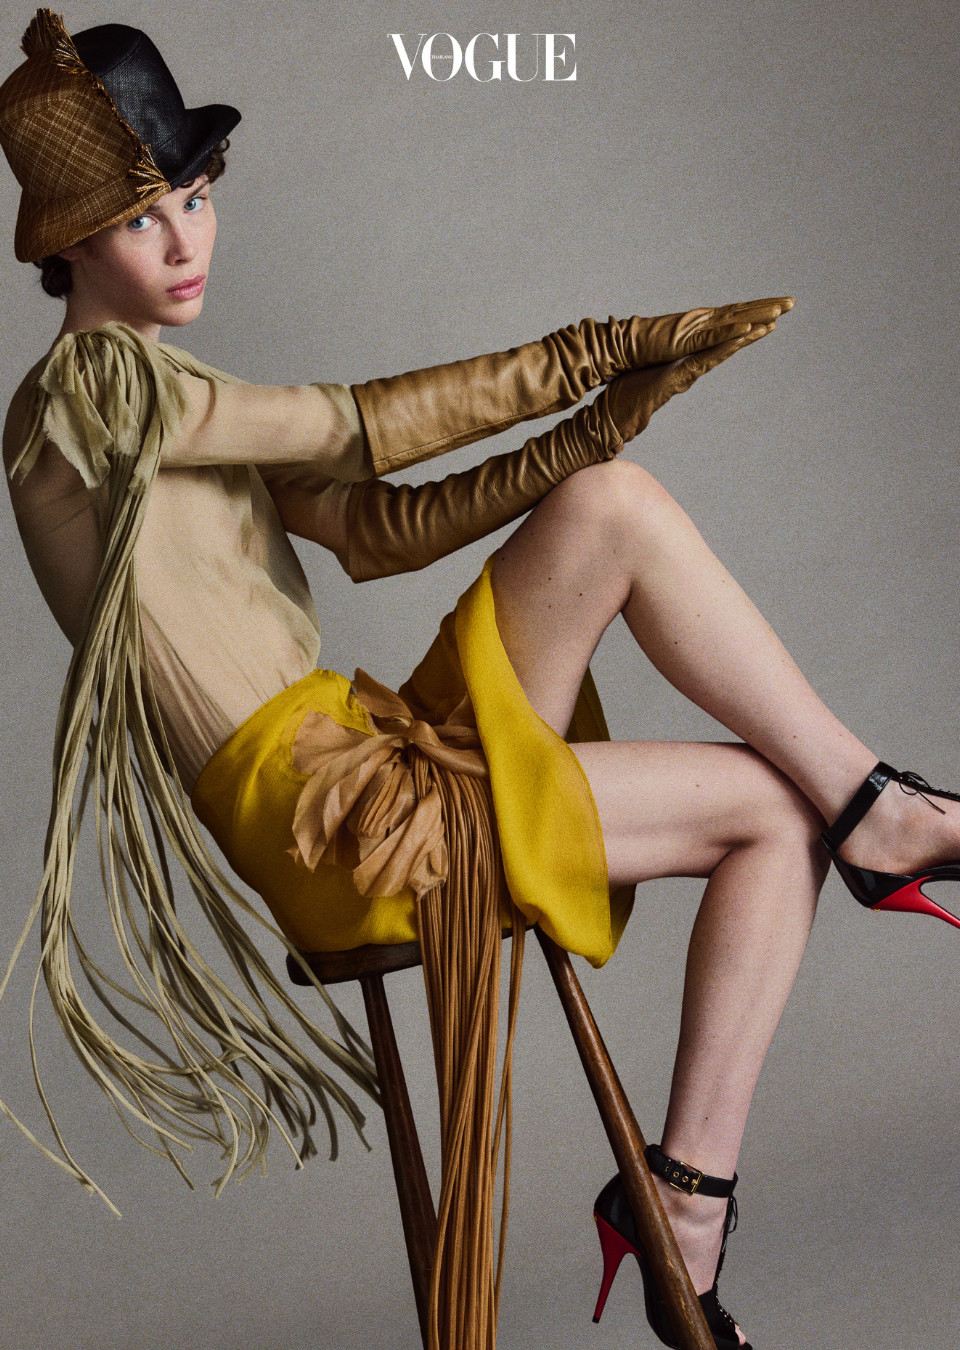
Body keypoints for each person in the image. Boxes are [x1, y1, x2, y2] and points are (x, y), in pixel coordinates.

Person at [3, 11, 960, 1350]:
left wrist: (595, 426)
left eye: (198, 198)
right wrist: (583, 352)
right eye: (142, 219)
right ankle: (686, 1198)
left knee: (612, 503)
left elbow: (381, 526)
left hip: (365, 741)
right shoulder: (87, 396)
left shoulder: (171, 394)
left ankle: (873, 808)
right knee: (767, 810)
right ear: (68, 246)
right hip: (334, 817)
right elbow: (351, 427)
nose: (186, 241)